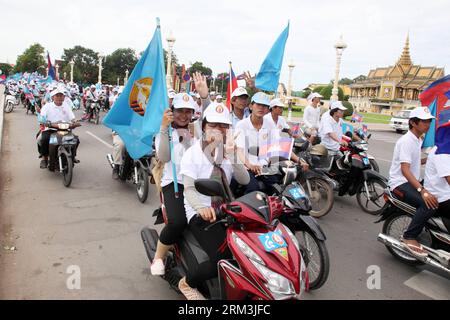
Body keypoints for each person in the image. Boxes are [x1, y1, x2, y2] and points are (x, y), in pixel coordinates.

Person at [177, 103, 250, 300]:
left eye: (224, 126)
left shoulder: (226, 152)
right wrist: (200, 208)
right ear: (204, 126)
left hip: (227, 211)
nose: (219, 130)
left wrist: (234, 155)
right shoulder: (193, 153)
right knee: (224, 257)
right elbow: (189, 188)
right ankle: (187, 283)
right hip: (202, 213)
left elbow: (244, 180)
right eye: (214, 125)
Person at [150, 93, 197, 276]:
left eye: (188, 111)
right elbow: (163, 156)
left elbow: (214, 123)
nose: (184, 115)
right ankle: (159, 257)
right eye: (179, 111)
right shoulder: (165, 131)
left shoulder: (196, 130)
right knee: (178, 222)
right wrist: (163, 126)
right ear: (172, 111)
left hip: (196, 182)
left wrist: (205, 96)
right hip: (174, 183)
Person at [388, 107, 439, 257]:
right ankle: (409, 236)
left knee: (439, 195)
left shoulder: (418, 139)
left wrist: (433, 159)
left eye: (429, 121)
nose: (427, 125)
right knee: (430, 204)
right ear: (413, 123)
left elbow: (415, 162)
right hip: (400, 183)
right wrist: (421, 190)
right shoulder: (406, 141)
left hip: (411, 181)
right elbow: (405, 169)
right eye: (424, 121)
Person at [38, 87, 79, 171]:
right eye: (57, 95)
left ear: (64, 97)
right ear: (53, 97)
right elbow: (42, 117)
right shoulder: (47, 106)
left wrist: (75, 122)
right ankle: (44, 158)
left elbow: (72, 117)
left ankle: (72, 156)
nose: (60, 97)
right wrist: (44, 121)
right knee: (44, 139)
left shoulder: (66, 106)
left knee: (76, 140)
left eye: (61, 96)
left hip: (64, 129)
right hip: (50, 128)